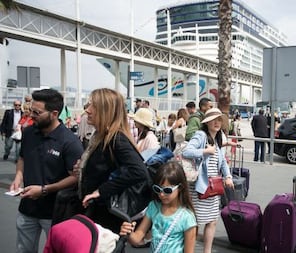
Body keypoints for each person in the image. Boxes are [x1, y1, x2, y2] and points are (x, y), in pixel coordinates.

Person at [9, 89, 83, 253]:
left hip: (56, 213)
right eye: (30, 110)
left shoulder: (70, 142)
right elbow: (22, 158)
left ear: (54, 113)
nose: (32, 115)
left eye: (37, 112)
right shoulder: (28, 133)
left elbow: (75, 177)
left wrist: (44, 190)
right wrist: (18, 177)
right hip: (27, 208)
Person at [78, 88, 150, 234]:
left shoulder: (116, 139)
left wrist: (101, 191)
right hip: (97, 213)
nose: (88, 110)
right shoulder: (101, 136)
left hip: (106, 217)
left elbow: (139, 171)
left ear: (106, 111)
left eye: (93, 106)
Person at [183, 108, 234, 253]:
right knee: (195, 222)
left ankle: (207, 251)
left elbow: (222, 161)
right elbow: (187, 151)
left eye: (219, 120)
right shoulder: (201, 135)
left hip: (214, 186)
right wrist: (205, 151)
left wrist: (228, 176)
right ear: (207, 122)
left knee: (212, 221)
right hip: (200, 186)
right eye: (214, 120)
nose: (217, 123)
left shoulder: (217, 138)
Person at [120, 161, 197, 252]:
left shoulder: (187, 217)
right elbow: (136, 239)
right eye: (157, 189)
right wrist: (128, 232)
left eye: (167, 190)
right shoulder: (154, 207)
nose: (161, 194)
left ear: (180, 188)